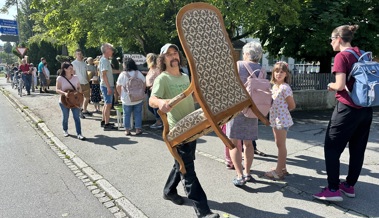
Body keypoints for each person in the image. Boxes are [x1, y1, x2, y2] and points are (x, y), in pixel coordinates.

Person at [149, 43, 219, 218]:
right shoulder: (162, 79)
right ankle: (203, 211)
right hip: (177, 130)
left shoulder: (185, 77)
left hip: (193, 127)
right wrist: (161, 103)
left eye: (175, 53)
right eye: (169, 54)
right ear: (163, 59)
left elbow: (194, 97)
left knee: (180, 162)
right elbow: (152, 99)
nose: (174, 57)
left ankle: (168, 191)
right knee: (187, 169)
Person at [313, 25, 373, 202]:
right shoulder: (361, 54)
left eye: (331, 39)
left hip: (347, 109)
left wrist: (330, 85)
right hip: (365, 110)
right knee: (357, 149)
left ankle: (332, 189)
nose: (330, 43)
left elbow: (339, 85)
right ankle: (349, 185)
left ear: (339, 38)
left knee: (331, 147)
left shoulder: (342, 56)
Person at [226, 41, 264, 186]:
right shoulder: (261, 69)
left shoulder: (238, 65)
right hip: (252, 109)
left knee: (234, 143)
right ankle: (248, 173)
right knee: (249, 143)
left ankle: (239, 175)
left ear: (246, 53)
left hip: (236, 108)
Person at [264, 61, 295, 180]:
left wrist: (282, 111)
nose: (279, 74)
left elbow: (292, 105)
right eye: (276, 71)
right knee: (279, 144)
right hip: (275, 119)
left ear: (286, 74)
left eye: (282, 72)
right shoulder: (275, 86)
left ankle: (278, 172)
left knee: (281, 145)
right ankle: (283, 168)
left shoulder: (284, 87)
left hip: (281, 120)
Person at [55, 62, 86, 140]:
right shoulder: (60, 78)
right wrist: (64, 93)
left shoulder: (75, 77)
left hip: (75, 101)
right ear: (65, 69)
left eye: (72, 68)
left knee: (76, 117)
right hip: (64, 101)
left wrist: (79, 92)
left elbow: (79, 87)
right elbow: (57, 89)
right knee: (66, 117)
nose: (72, 70)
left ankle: (79, 133)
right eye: (70, 68)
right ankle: (65, 130)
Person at [116, 57, 146, 136]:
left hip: (127, 98)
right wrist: (142, 91)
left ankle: (127, 130)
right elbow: (144, 83)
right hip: (138, 98)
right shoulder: (138, 73)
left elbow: (118, 86)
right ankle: (138, 129)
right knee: (138, 113)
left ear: (125, 65)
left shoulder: (123, 74)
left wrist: (120, 94)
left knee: (126, 114)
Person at [99, 43, 117, 130]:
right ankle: (107, 124)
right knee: (108, 104)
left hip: (106, 85)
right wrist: (109, 87)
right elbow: (104, 75)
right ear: (106, 50)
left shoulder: (105, 60)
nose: (112, 50)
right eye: (110, 48)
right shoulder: (104, 61)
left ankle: (104, 121)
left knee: (106, 104)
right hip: (107, 86)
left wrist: (120, 71)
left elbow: (109, 72)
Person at [72, 49, 92, 118]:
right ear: (75, 55)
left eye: (80, 54)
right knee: (80, 98)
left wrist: (88, 81)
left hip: (85, 82)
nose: (79, 55)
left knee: (87, 97)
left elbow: (86, 73)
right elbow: (73, 74)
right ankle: (79, 112)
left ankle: (85, 110)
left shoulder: (84, 63)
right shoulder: (73, 63)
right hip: (79, 83)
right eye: (78, 54)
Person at [145, 53, 163, 129]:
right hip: (149, 89)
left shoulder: (157, 69)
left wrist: (153, 86)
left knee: (154, 106)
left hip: (154, 89)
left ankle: (159, 121)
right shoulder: (151, 69)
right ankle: (161, 119)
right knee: (150, 107)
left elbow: (159, 78)